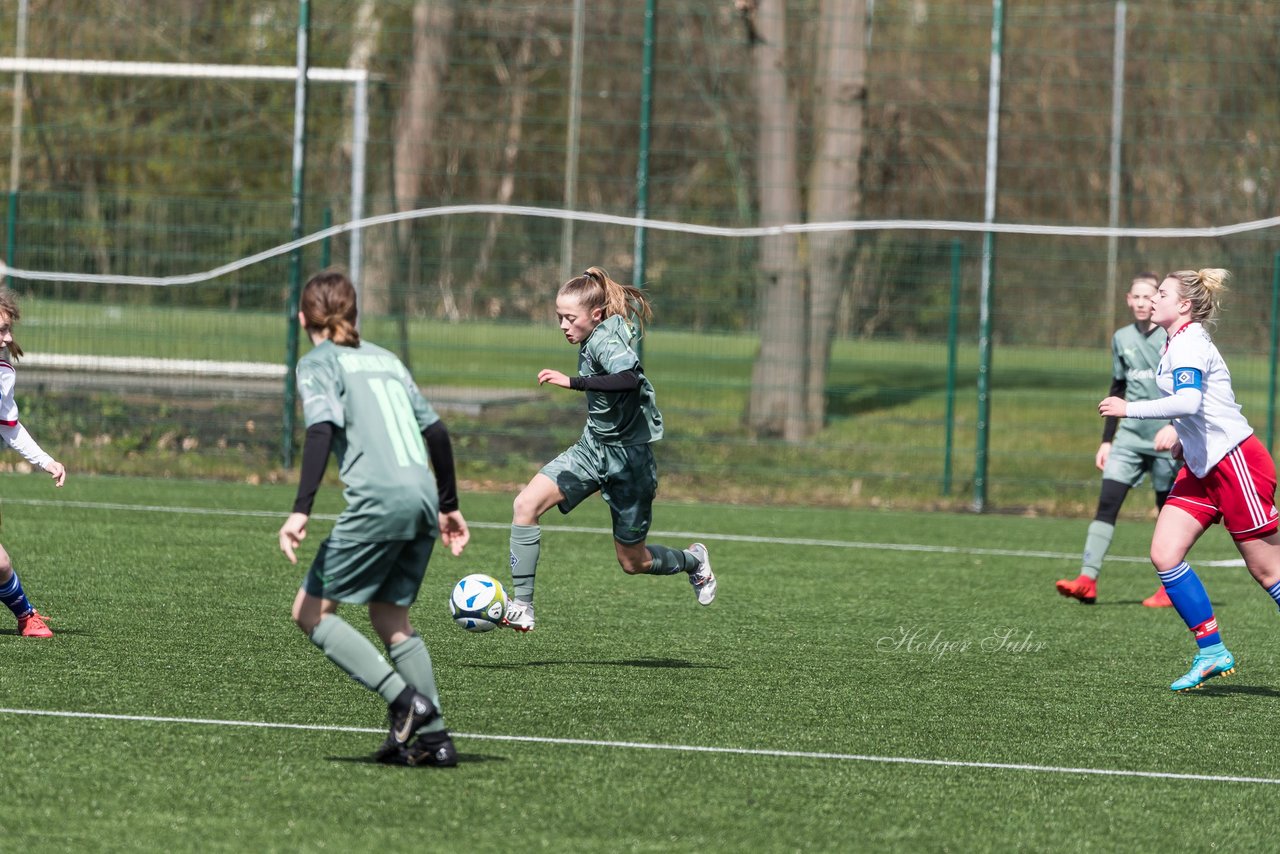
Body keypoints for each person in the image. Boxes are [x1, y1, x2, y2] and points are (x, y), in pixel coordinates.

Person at [278, 269, 470, 765]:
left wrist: (300, 511)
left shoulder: (317, 363)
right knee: (391, 616)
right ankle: (437, 741)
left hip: (378, 502)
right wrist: (449, 505)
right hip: (424, 497)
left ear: (303, 319)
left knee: (310, 612)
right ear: (354, 313)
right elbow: (438, 433)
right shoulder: (386, 359)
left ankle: (406, 702)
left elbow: (320, 430)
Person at [502, 267, 716, 632]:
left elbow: (630, 378)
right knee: (525, 505)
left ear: (596, 315)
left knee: (634, 562)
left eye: (570, 318)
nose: (563, 326)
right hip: (591, 450)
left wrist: (572, 382)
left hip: (629, 464)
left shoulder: (605, 341)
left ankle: (693, 561)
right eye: (559, 318)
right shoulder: (594, 334)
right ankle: (523, 605)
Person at [1099, 268, 1280, 692]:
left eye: (1161, 293)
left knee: (1269, 572)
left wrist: (1130, 409)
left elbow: (1189, 399)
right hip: (1203, 469)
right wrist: (1185, 436)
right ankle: (1212, 651)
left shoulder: (1191, 342)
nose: (1152, 298)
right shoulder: (1174, 340)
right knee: (1164, 553)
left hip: (1238, 466)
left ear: (1183, 305)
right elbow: (1202, 408)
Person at [1056, 273, 1180, 607]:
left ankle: (1171, 588)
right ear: (1128, 299)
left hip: (1166, 441)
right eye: (1136, 297)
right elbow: (1118, 388)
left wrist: (1176, 427)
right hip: (1128, 438)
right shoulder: (1121, 337)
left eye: (1148, 297)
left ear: (1158, 299)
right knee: (1107, 503)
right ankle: (1087, 578)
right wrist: (1107, 440)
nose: (1142, 303)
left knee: (1167, 515)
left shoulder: (1173, 338)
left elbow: (1187, 392)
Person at [0, 290, 66, 638]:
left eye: (8, 329)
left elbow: (9, 428)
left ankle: (26, 617)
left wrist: (46, 460)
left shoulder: (3, 373)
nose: (8, 337)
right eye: (1, 329)